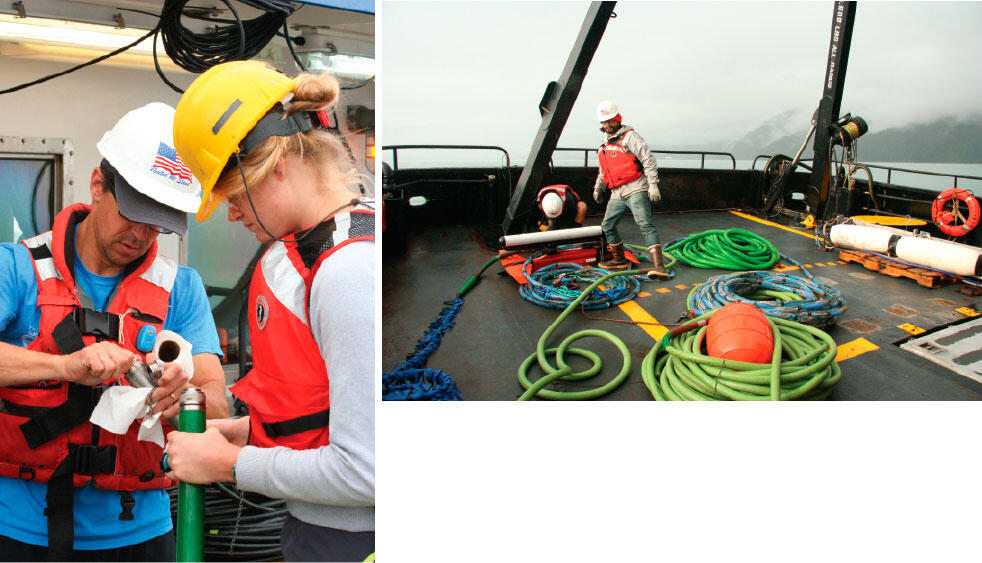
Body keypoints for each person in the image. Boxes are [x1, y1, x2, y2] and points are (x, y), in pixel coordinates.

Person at [166, 61, 375, 562]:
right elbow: (327, 415)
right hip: (318, 527)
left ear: (277, 162)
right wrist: (243, 433)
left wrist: (231, 464)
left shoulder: (347, 272)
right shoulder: (317, 247)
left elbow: (367, 471)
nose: (231, 212)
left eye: (232, 193)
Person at [0, 102, 227, 561]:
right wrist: (65, 365)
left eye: (159, 221)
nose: (143, 234)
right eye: (135, 213)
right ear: (98, 186)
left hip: (139, 533)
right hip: (20, 530)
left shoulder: (181, 288)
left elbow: (217, 407)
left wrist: (181, 398)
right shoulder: (15, 268)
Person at [592, 100, 670, 278]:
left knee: (645, 225)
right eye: (604, 122)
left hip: (635, 188)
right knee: (607, 225)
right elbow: (604, 170)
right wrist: (598, 188)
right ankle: (619, 260)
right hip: (616, 192)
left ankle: (659, 267)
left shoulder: (630, 137)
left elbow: (648, 159)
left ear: (618, 118)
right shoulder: (604, 143)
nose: (608, 124)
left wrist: (653, 184)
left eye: (611, 120)